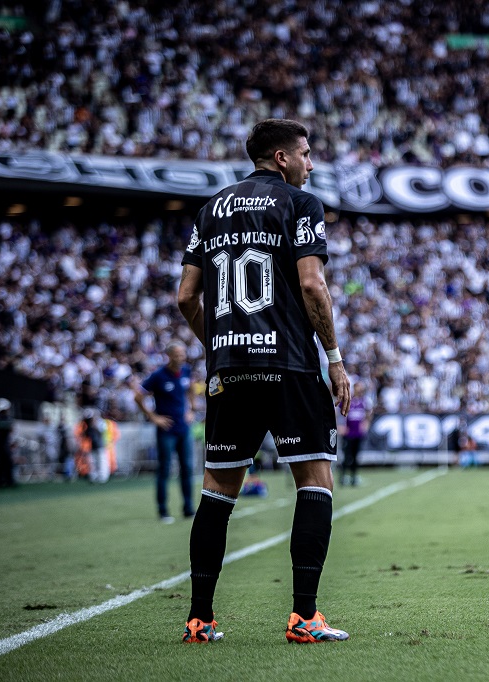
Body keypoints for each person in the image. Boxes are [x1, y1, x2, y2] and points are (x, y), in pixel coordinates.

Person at [177, 118, 352, 644]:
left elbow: (186, 297)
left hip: (229, 370)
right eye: (305, 153)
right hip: (290, 365)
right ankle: (304, 617)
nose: (311, 163)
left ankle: (200, 620)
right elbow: (311, 283)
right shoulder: (302, 204)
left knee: (218, 493)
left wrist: (220, 346)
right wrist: (336, 359)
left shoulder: (210, 210)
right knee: (315, 483)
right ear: (281, 158)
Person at [134, 343, 195, 522]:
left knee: (187, 469)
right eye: (177, 355)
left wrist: (190, 409)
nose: (181, 358)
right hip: (166, 430)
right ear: (169, 356)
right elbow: (138, 397)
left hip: (183, 428)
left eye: (183, 354)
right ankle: (163, 511)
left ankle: (189, 508)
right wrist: (153, 417)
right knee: (164, 470)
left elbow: (191, 388)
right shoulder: (158, 376)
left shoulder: (186, 371)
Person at [339, 381, 368, 487]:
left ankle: (353, 477)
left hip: (358, 434)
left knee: (356, 457)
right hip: (348, 433)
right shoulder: (347, 401)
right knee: (347, 456)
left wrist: (365, 424)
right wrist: (341, 426)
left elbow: (368, 414)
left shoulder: (363, 401)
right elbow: (339, 413)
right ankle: (343, 477)